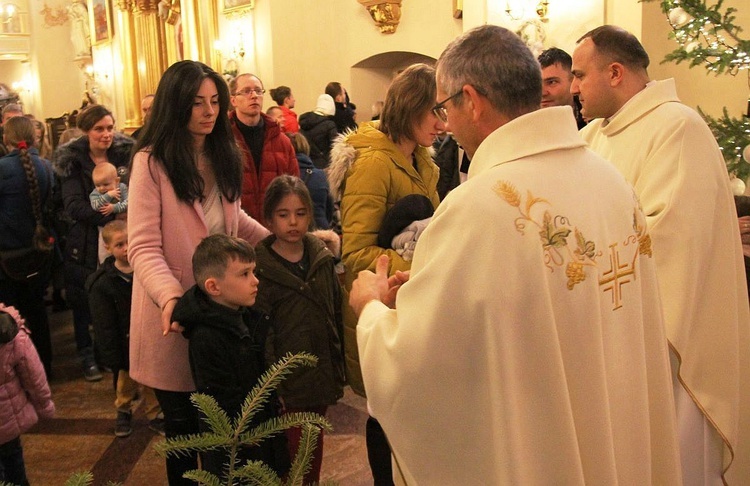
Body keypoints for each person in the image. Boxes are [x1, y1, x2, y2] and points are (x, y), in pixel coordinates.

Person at [349, 25, 682, 484]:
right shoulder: (610, 181)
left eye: (446, 107)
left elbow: (418, 365)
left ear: (473, 99)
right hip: (613, 436)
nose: (445, 123)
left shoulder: (479, 206)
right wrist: (435, 288)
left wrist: (370, 310)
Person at [572, 25, 750, 484]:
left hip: (673, 338)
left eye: (579, 75)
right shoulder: (593, 137)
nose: (573, 89)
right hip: (612, 331)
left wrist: (580, 266)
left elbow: (668, 240)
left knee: (674, 458)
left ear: (615, 73)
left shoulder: (677, 127)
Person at [127, 60, 270, 485]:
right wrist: (172, 298)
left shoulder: (222, 152)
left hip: (222, 313)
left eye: (214, 102)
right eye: (197, 103)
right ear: (175, 106)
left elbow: (234, 223)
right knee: (187, 439)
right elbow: (143, 245)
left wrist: (282, 245)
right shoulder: (151, 163)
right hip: (174, 319)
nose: (208, 112)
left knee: (229, 434)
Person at [327, 63, 441, 485]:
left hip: (409, 303)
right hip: (380, 302)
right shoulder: (374, 163)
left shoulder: (422, 159)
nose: (442, 121)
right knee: (384, 415)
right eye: (435, 111)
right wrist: (427, 266)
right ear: (411, 108)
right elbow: (356, 251)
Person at [173, 233, 289, 479]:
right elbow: (218, 397)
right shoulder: (206, 336)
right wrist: (244, 434)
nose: (255, 281)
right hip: (237, 448)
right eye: (244, 274)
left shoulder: (247, 316)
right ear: (214, 287)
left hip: (262, 434)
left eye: (253, 272)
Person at [253, 175, 345, 484]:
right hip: (286, 385)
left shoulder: (319, 256)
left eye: (301, 213)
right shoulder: (261, 269)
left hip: (319, 374)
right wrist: (271, 384)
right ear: (269, 218)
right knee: (290, 456)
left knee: (312, 449)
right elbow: (260, 334)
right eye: (283, 214)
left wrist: (338, 366)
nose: (293, 222)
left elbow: (335, 313)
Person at [53, 104, 134, 382]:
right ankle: (87, 355)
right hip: (88, 240)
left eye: (110, 128)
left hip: (123, 236)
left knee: (116, 301)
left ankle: (111, 355)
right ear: (87, 131)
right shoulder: (73, 161)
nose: (106, 134)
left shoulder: (125, 155)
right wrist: (113, 212)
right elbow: (74, 206)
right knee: (85, 301)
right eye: (99, 129)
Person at [86, 220, 163, 439]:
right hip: (124, 344)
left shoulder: (146, 271)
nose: (127, 248)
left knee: (152, 381)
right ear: (108, 248)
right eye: (120, 244)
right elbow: (104, 325)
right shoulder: (102, 283)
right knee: (124, 383)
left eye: (130, 242)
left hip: (147, 338)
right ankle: (123, 411)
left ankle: (155, 414)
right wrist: (112, 356)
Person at [0, 116, 55, 376]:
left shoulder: (2, 168)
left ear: (5, 139)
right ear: (34, 138)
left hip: (7, 256)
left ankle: (21, 372)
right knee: (37, 312)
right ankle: (45, 366)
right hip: (39, 252)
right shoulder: (44, 166)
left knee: (12, 316)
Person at [228, 73, 299, 224]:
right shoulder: (222, 140)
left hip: (274, 229)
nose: (254, 96)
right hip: (237, 232)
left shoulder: (282, 142)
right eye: (246, 91)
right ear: (233, 100)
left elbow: (295, 189)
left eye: (258, 91)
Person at [0, 303, 55, 486]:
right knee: (15, 468)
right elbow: (33, 376)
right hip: (7, 423)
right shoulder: (10, 329)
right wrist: (44, 406)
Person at [287, 132, 334, 230]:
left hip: (291, 229)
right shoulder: (321, 175)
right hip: (320, 229)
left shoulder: (283, 176)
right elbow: (329, 208)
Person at [538, 47, 586, 129]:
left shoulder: (592, 117)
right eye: (537, 84)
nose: (542, 93)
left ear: (572, 81)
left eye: (551, 82)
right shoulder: (525, 124)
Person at [89, 162, 128, 263]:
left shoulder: (122, 188)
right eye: (98, 185)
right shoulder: (95, 193)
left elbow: (128, 203)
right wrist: (108, 195)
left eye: (106, 184)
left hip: (125, 225)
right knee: (105, 253)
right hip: (106, 228)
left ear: (116, 181)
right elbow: (95, 205)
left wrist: (114, 208)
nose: (102, 188)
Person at [298, 94, 338, 169]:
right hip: (324, 165)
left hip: (306, 163)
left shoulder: (304, 122)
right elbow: (336, 145)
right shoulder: (329, 125)